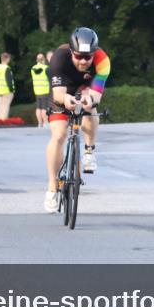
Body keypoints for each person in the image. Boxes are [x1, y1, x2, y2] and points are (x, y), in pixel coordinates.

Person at [42, 28, 111, 213]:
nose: (83, 61)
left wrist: (91, 100)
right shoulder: (59, 57)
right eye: (79, 56)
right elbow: (58, 95)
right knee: (59, 135)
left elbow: (97, 93)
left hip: (85, 88)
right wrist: (65, 100)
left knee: (90, 106)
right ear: (72, 52)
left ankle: (89, 151)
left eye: (88, 57)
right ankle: (51, 187)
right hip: (63, 89)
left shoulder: (102, 61)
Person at [30, 53, 51, 128]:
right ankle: (45, 123)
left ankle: (40, 123)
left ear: (36, 60)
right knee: (44, 108)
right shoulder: (46, 68)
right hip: (45, 90)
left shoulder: (33, 68)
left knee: (38, 108)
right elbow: (50, 79)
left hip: (37, 90)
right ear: (43, 59)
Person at [0, 52, 15, 120]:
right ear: (7, 59)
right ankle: (4, 121)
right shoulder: (7, 68)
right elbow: (9, 80)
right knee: (6, 106)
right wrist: (12, 90)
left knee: (0, 107)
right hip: (7, 90)